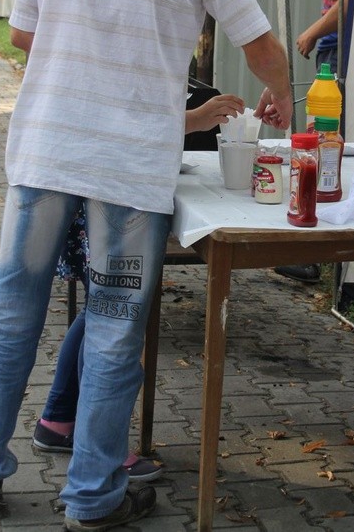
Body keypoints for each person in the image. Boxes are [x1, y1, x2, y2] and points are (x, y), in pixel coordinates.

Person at [0, 0, 293, 532]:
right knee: (112, 321)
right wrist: (283, 93)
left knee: (12, 309)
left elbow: (22, 34)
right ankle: (93, 495)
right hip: (129, 169)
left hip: (46, 150)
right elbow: (256, 42)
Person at [32, 93, 247, 484]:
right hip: (107, 189)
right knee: (110, 315)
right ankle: (101, 451)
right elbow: (121, 117)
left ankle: (59, 421)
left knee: (100, 308)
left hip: (92, 181)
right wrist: (194, 119)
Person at [275, 0, 354, 285]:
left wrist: (311, 32)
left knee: (325, 154)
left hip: (338, 52)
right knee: (317, 151)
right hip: (329, 52)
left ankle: (317, 255)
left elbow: (349, 1)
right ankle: (310, 245)